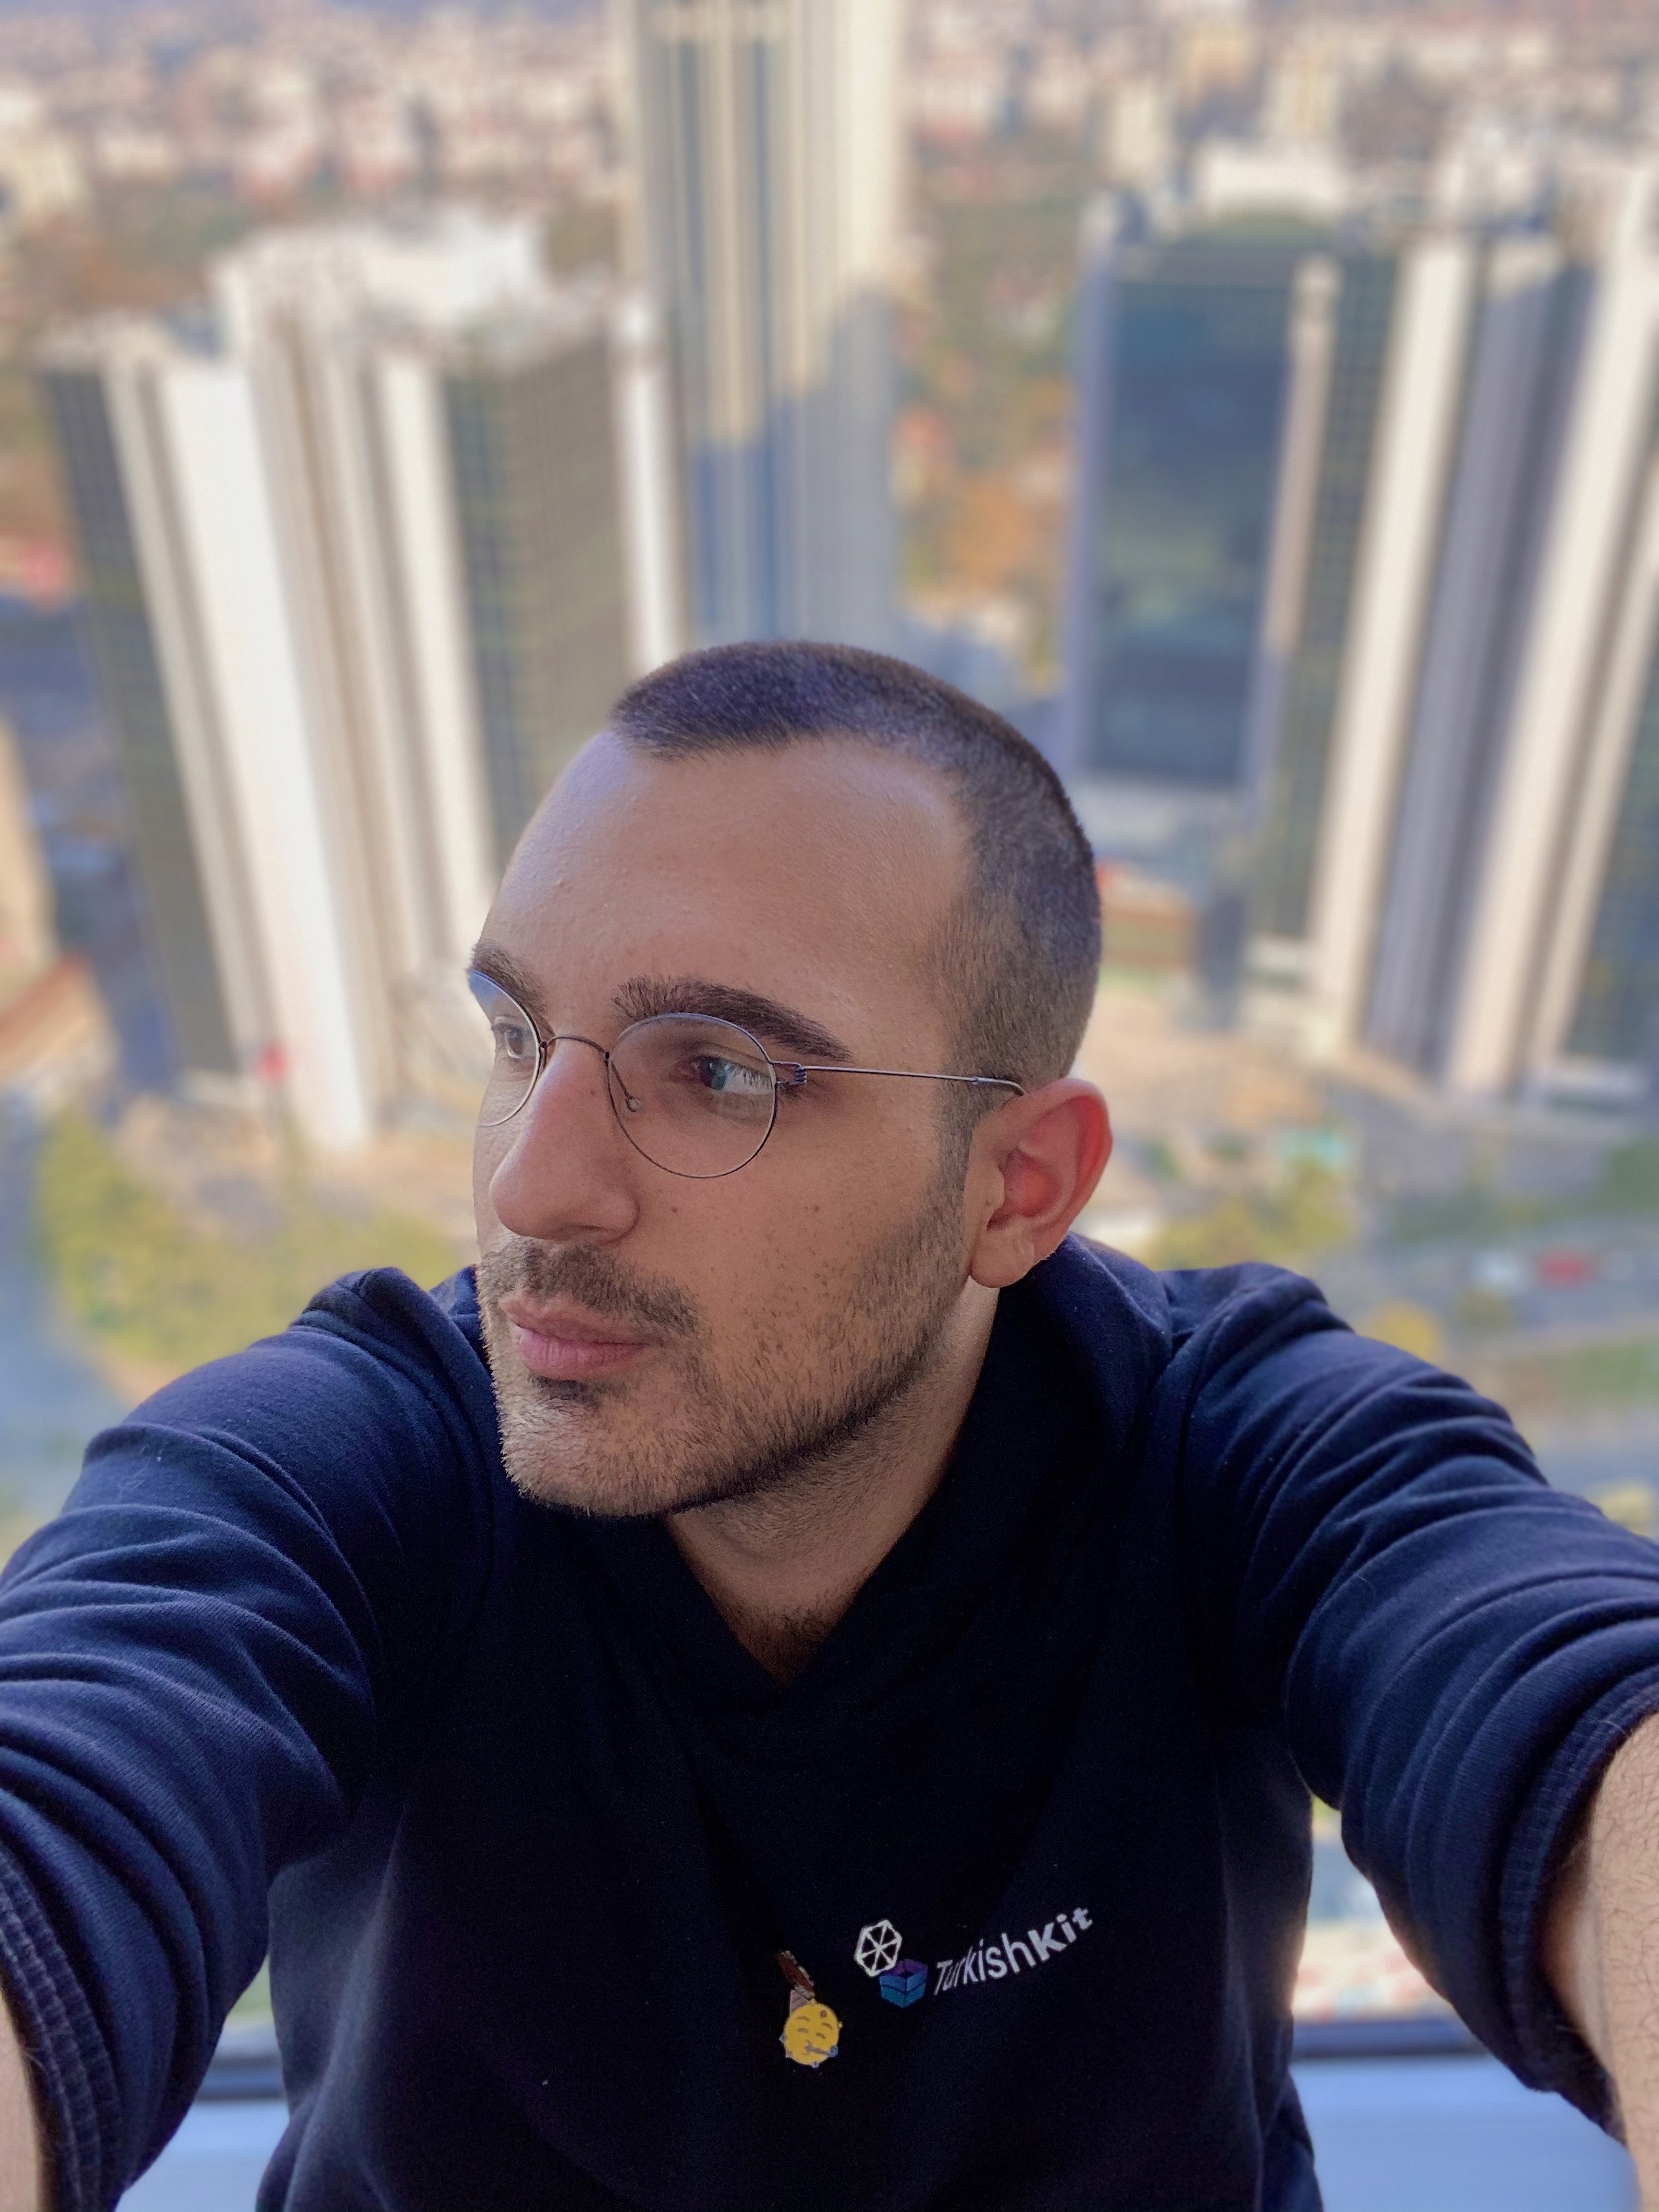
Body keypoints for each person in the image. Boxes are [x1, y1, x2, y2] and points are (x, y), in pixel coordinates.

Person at [0, 641, 1657, 2212]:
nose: (530, 1187)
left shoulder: (1231, 1445)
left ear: (1020, 1186)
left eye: (721, 1072)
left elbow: (1553, 1682)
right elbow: (86, 1755)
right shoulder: (363, 1461)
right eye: (517, 1037)